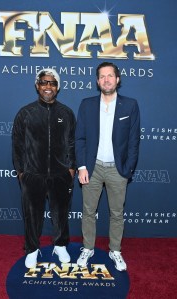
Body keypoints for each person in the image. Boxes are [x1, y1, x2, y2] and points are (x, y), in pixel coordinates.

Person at [75, 62, 140, 271]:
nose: (106, 80)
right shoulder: (87, 104)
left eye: (110, 75)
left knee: (117, 213)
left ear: (117, 79)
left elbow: (133, 140)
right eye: (102, 76)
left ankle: (115, 250)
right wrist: (82, 166)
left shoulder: (130, 105)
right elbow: (80, 138)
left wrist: (128, 168)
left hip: (117, 169)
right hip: (92, 168)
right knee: (88, 211)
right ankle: (88, 248)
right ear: (97, 81)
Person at [12, 68, 76, 268]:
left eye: (52, 83)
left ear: (58, 87)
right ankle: (32, 248)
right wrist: (21, 172)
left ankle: (60, 245)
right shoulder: (25, 113)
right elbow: (17, 145)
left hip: (60, 174)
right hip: (33, 175)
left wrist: (71, 168)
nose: (48, 86)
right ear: (37, 86)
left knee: (61, 213)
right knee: (32, 214)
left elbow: (72, 143)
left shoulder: (66, 113)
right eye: (44, 82)